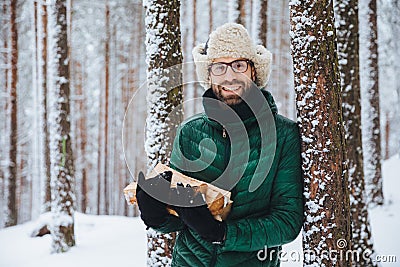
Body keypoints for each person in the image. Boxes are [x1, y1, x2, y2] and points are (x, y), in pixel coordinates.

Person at [136, 23, 303, 267]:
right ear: (209, 74)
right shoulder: (190, 132)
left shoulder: (283, 135)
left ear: (253, 72)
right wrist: (156, 214)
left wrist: (223, 234)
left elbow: (287, 222)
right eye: (219, 67)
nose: (229, 76)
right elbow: (180, 216)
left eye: (238, 65)